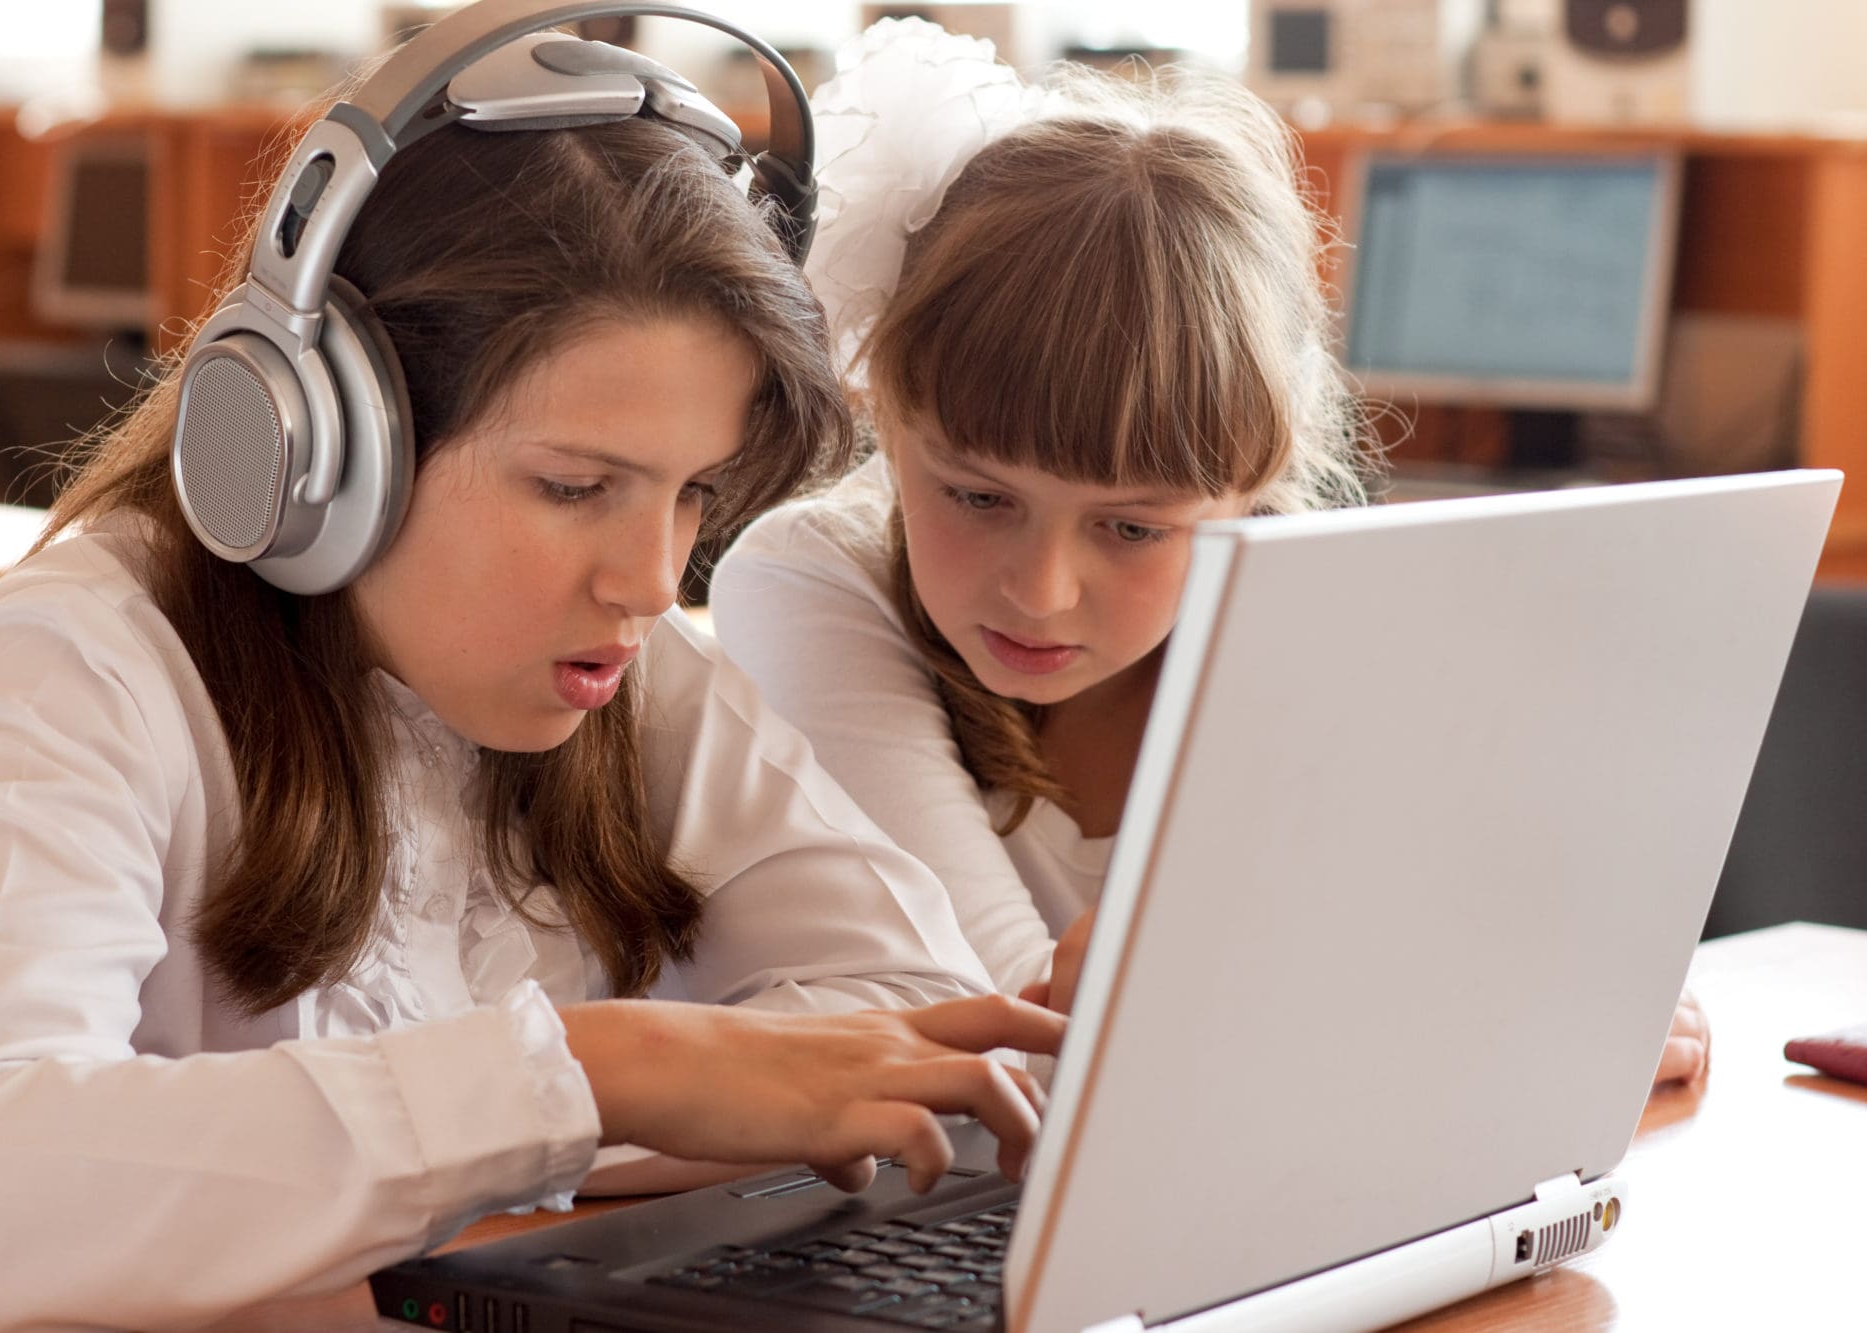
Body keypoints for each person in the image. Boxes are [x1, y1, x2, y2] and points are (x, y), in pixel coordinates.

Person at [0, 21, 1060, 1331]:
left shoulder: (622, 661)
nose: (654, 581)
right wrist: (601, 1075)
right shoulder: (84, 661)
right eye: (573, 485)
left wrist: (587, 1119)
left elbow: (921, 1021)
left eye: (692, 496)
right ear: (319, 438)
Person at [708, 19, 1710, 1082]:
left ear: (1248, 495)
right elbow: (1011, 1020)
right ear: (888, 418)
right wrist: (1479, 1021)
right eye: (973, 494)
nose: (1040, 592)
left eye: (1132, 526)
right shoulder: (809, 578)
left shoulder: (1324, 628)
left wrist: (1550, 994)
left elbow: (1526, 932)